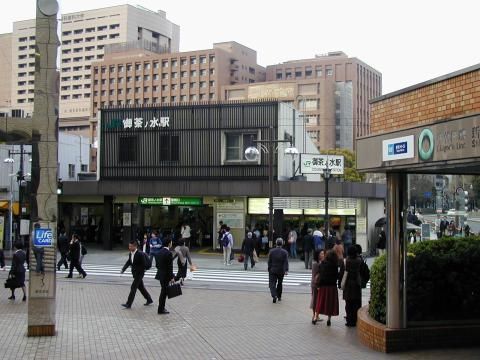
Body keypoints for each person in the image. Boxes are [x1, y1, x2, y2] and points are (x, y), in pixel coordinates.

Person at [120, 240, 153, 309]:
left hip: (140, 274)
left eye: (131, 246)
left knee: (133, 287)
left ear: (135, 246)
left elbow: (144, 264)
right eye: (129, 246)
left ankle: (128, 304)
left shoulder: (140, 254)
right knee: (141, 287)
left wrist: (140, 270)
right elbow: (129, 262)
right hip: (135, 274)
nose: (129, 247)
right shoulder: (130, 253)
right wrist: (123, 269)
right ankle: (149, 299)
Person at [314, 250, 340, 326]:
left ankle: (315, 318)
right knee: (330, 304)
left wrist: (318, 285)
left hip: (323, 286)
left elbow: (321, 276)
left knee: (320, 302)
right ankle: (329, 320)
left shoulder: (323, 264)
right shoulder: (335, 265)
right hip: (332, 287)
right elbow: (337, 276)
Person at [341, 245, 362, 327]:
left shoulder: (346, 261)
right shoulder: (359, 261)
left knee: (348, 304)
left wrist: (340, 282)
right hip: (356, 284)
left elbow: (342, 273)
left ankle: (349, 321)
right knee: (356, 304)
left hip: (348, 285)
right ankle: (356, 320)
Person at [154, 237, 175, 314]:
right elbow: (170, 267)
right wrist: (172, 277)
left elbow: (157, 265)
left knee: (163, 291)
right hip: (166, 276)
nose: (171, 244)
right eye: (171, 242)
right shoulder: (169, 253)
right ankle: (161, 309)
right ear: (169, 244)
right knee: (163, 293)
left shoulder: (158, 252)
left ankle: (161, 308)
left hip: (160, 275)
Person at [268, 238, 289, 303]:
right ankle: (279, 296)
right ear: (282, 244)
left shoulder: (271, 251)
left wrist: (269, 268)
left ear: (276, 243)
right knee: (280, 283)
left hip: (273, 269)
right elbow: (286, 262)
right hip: (281, 270)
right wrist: (286, 270)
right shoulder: (285, 252)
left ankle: (274, 295)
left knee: (272, 283)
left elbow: (269, 261)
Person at [310, 249, 325, 323]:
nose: (323, 255)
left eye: (323, 254)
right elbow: (316, 276)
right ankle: (314, 316)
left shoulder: (320, 263)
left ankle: (317, 315)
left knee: (318, 300)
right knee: (315, 300)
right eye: (321, 254)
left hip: (318, 284)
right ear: (318, 255)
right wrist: (317, 285)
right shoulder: (316, 264)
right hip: (315, 284)